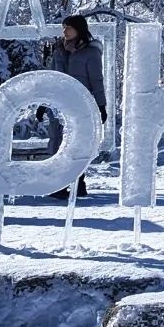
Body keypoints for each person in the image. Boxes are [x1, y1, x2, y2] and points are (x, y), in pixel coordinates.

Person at [47, 14, 107, 199]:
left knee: (77, 144)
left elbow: (96, 80)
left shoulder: (90, 52)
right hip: (58, 105)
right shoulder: (58, 51)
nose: (65, 31)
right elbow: (50, 76)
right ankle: (58, 185)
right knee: (57, 143)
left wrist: (101, 105)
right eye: (63, 27)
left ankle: (78, 183)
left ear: (79, 29)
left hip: (81, 105)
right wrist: (44, 103)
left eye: (69, 27)